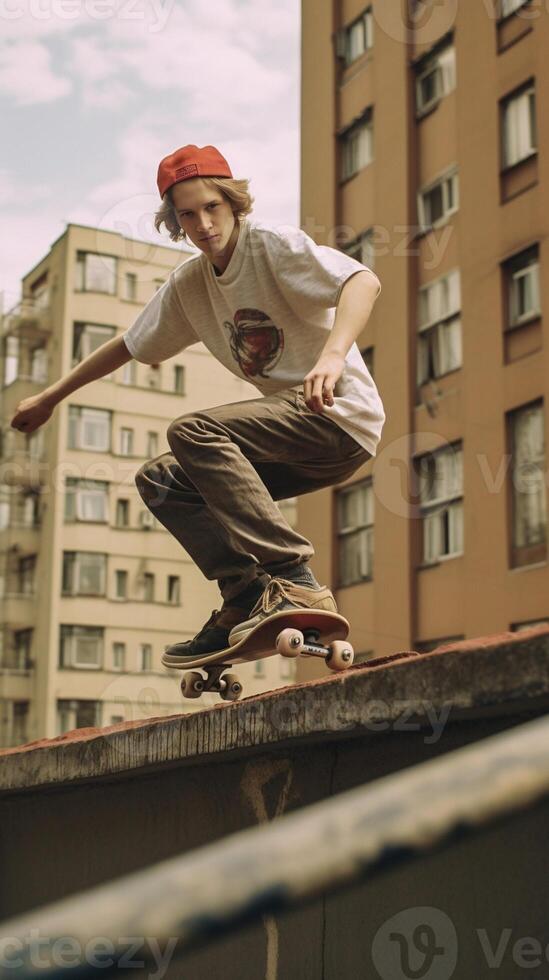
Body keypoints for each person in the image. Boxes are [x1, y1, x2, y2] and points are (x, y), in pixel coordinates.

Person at [11, 143, 385, 663]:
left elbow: (361, 280)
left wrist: (333, 357)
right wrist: (52, 397)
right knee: (163, 480)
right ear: (175, 221)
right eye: (188, 214)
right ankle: (245, 595)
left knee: (193, 431)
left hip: (337, 416)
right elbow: (128, 343)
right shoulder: (190, 285)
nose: (204, 224)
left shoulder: (271, 246)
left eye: (212, 207)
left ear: (233, 203)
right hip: (293, 441)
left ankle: (295, 578)